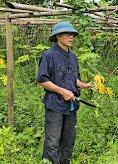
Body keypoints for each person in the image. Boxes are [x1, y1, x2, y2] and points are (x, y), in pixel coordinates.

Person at [37, 21, 91, 163]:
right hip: (55, 105)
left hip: (71, 106)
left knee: (68, 139)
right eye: (67, 34)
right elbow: (42, 80)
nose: (71, 37)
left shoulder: (73, 57)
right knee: (53, 141)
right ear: (58, 36)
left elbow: (74, 79)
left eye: (72, 34)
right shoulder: (49, 55)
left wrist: (85, 85)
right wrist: (62, 91)